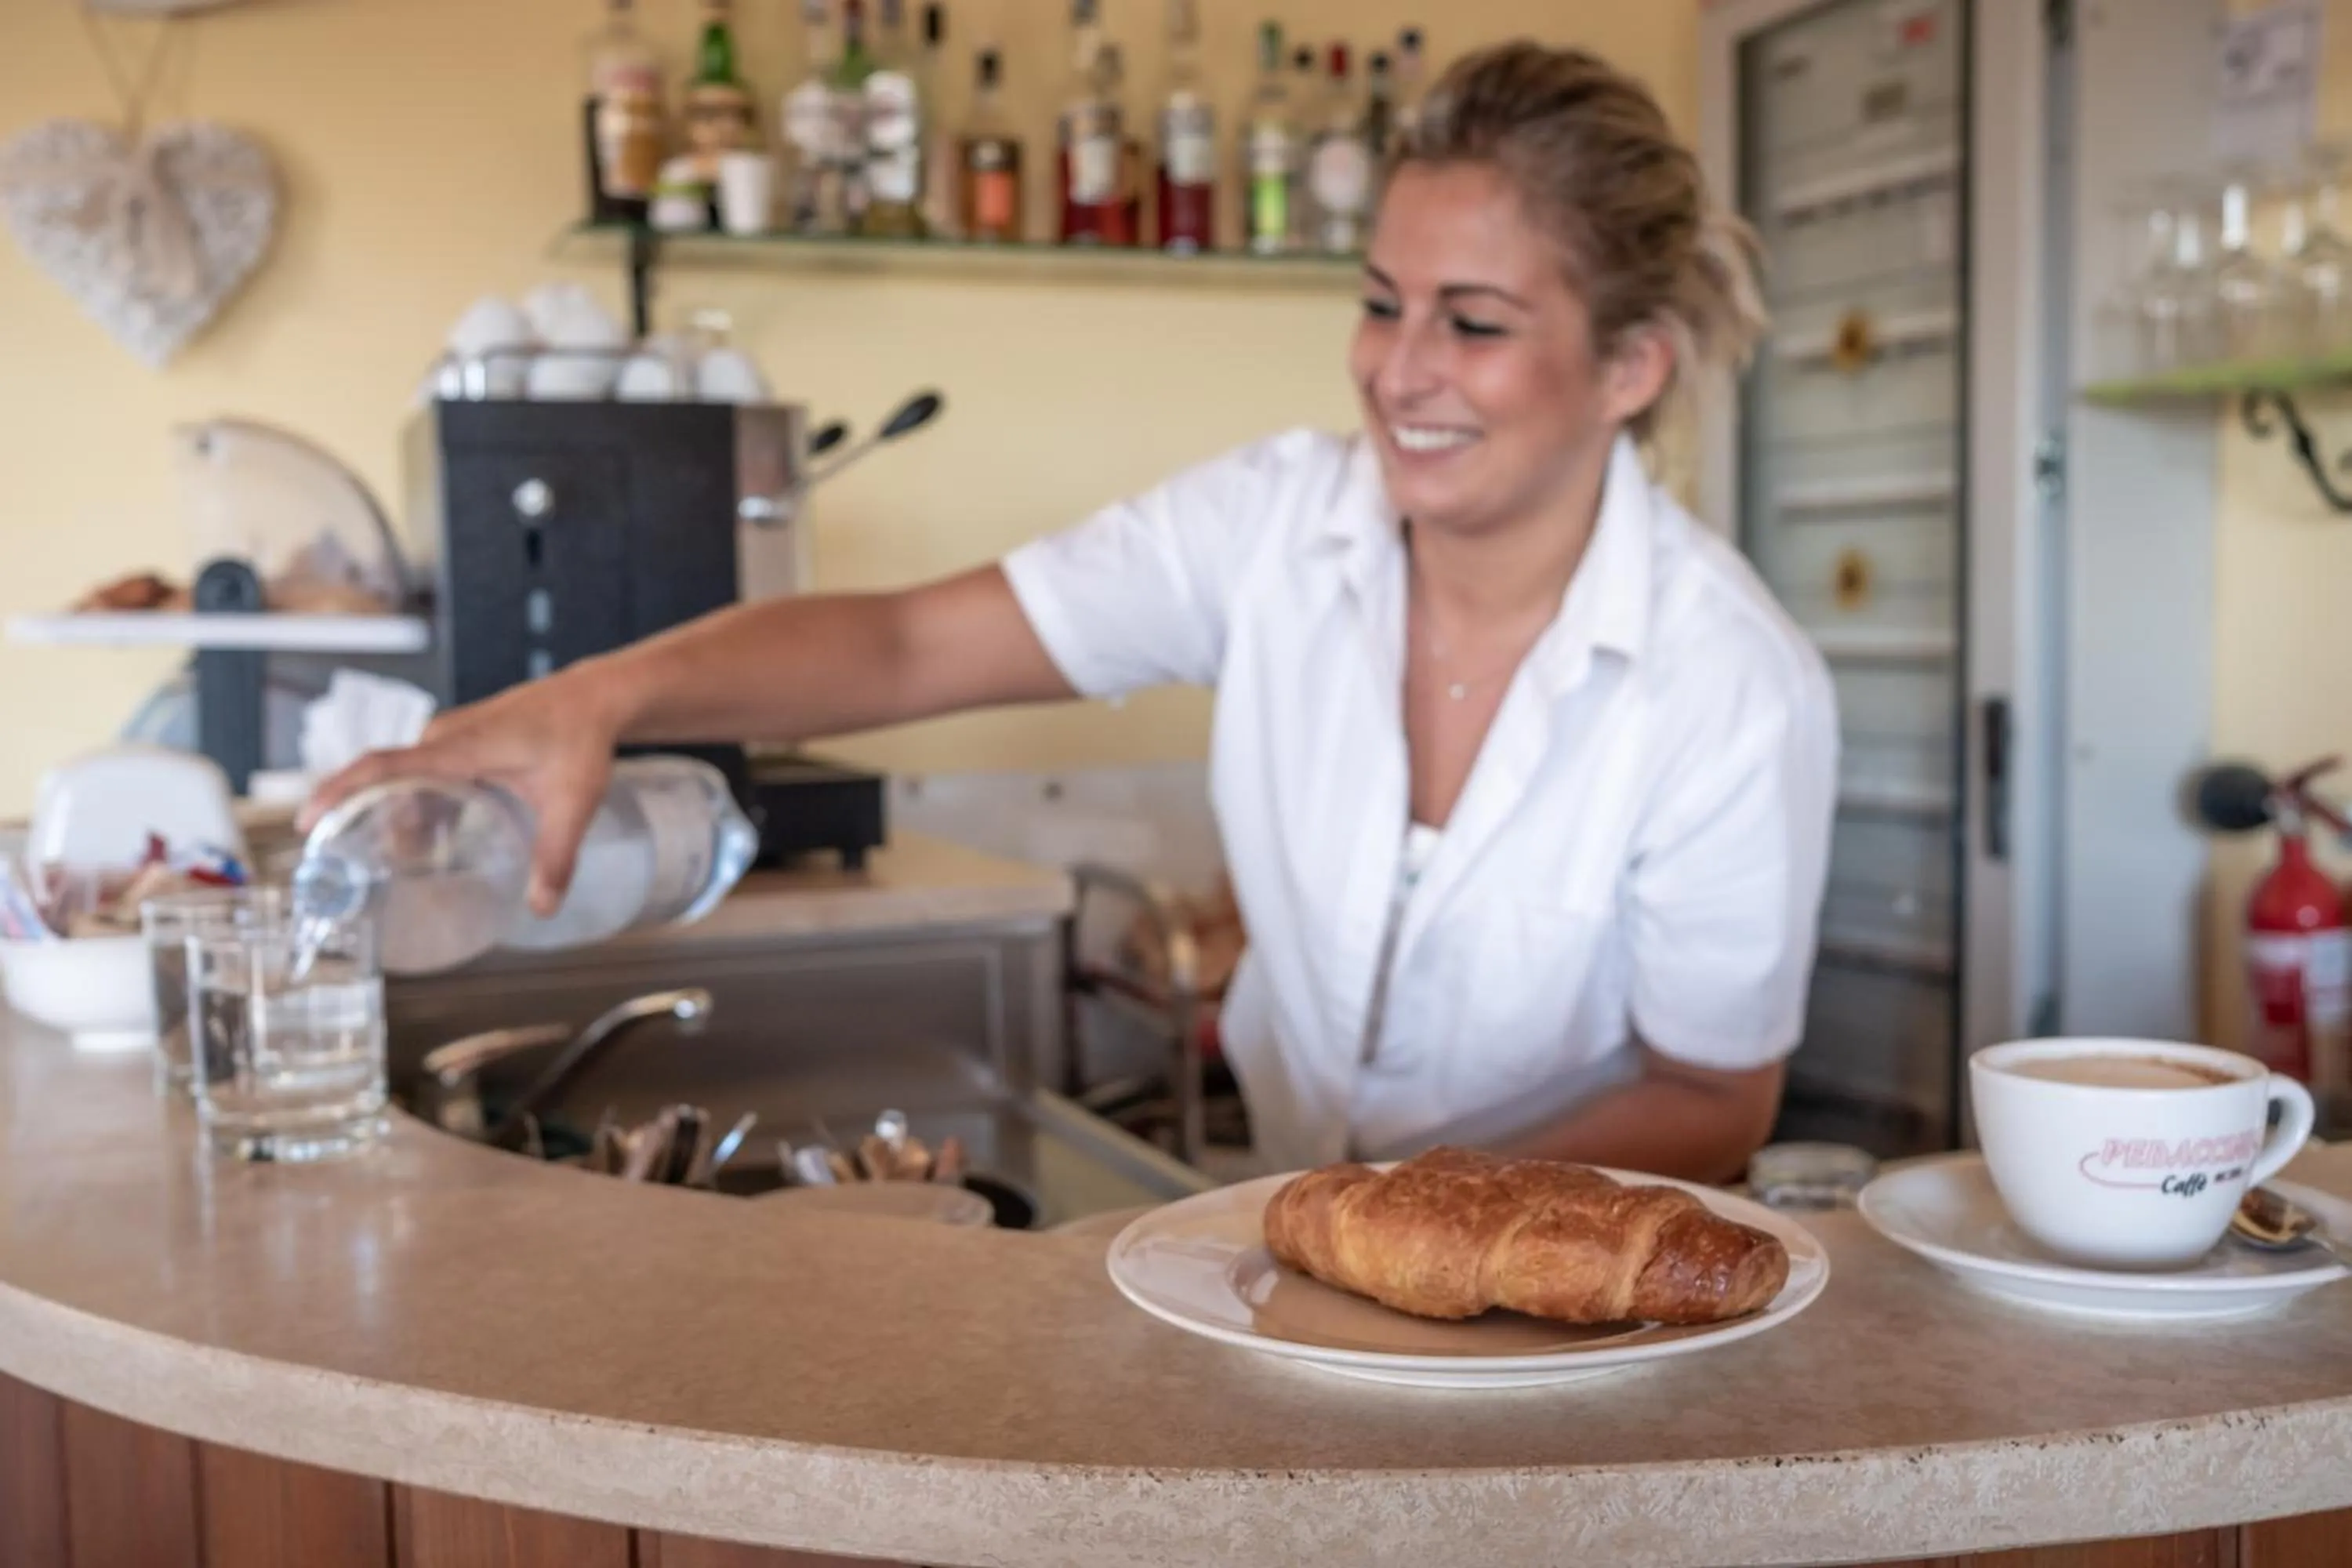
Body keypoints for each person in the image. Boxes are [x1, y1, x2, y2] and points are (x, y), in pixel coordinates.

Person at [311, 42, 1837, 1184]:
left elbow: (1711, 1098)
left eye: (1476, 323)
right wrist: (598, 696)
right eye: (1381, 300)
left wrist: (1386, 1226)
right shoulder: (1273, 525)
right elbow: (910, 642)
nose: (1399, 368)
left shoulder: (1726, 682)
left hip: (1564, 1301)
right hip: (1299, 1255)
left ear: (1631, 367)